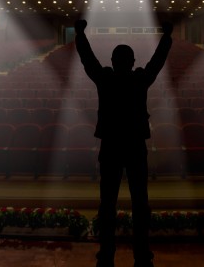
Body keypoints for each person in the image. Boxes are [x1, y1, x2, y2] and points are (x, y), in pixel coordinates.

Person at [74, 19, 173, 267]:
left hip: (110, 146)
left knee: (107, 203)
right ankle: (142, 255)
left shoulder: (105, 79)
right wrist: (166, 36)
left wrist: (80, 34)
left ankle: (106, 255)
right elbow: (157, 62)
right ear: (132, 61)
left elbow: (88, 60)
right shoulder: (140, 79)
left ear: (112, 61)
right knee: (140, 203)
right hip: (135, 145)